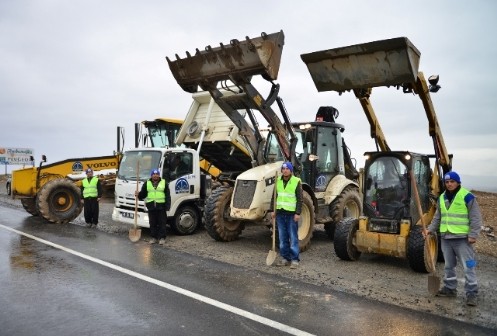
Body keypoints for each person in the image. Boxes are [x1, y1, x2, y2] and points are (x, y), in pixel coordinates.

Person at [424, 171, 482, 307]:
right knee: (449, 266)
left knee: (469, 266)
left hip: (462, 239)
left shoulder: (467, 196)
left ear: (458, 182)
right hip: (446, 238)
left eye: (452, 182)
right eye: (447, 182)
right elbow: (438, 217)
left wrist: (473, 234)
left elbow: (475, 217)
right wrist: (430, 230)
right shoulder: (442, 198)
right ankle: (450, 289)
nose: (449, 184)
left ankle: (472, 293)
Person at [270, 162, 303, 269]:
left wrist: (298, 213)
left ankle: (294, 259)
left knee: (293, 237)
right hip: (280, 213)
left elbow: (300, 199)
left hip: (291, 214)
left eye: (287, 168)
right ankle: (285, 258)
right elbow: (274, 197)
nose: (285, 170)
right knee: (282, 237)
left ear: (290, 170)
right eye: (283, 168)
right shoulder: (278, 181)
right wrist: (273, 210)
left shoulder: (296, 181)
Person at [136, 169, 170, 245]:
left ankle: (162, 238)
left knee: (162, 223)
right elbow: (143, 195)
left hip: (161, 206)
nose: (155, 175)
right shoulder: (147, 183)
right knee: (152, 223)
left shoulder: (164, 183)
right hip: (151, 206)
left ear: (159, 175)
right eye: (154, 174)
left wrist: (167, 206)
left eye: (157, 174)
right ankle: (153, 237)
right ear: (151, 175)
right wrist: (138, 195)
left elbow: (168, 196)